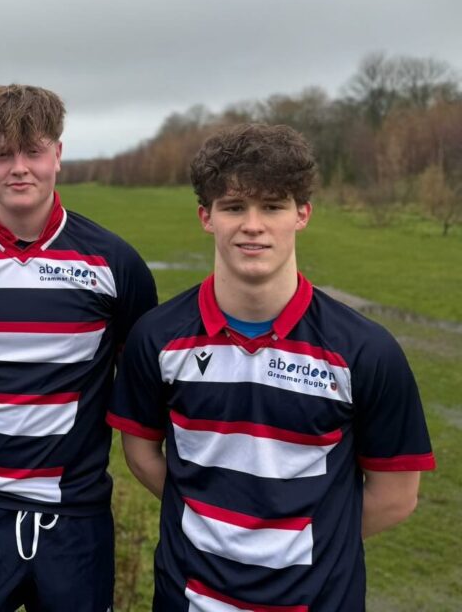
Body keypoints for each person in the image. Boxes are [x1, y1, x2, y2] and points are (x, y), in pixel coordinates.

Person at [110, 123, 436, 611]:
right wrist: (218, 523)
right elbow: (141, 456)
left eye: (273, 206)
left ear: (302, 214)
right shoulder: (156, 338)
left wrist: (301, 539)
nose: (253, 225)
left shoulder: (367, 352)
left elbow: (395, 496)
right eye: (234, 207)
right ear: (206, 217)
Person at [0, 84, 158, 611]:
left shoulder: (116, 263)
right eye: (2, 155)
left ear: (57, 154)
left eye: (33, 152)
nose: (19, 168)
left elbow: (138, 382)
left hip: (76, 514)